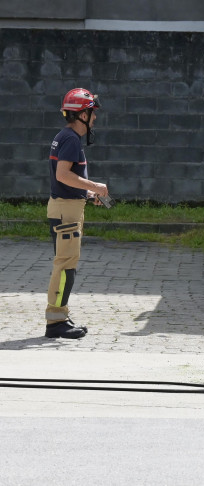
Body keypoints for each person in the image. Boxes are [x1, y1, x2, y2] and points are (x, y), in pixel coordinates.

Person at [46, 88, 110, 339]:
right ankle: (55, 322)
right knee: (65, 267)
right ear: (82, 114)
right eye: (92, 113)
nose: (95, 118)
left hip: (67, 207)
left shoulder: (65, 137)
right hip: (66, 212)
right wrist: (95, 186)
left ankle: (59, 315)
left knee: (66, 265)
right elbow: (62, 175)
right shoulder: (71, 139)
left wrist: (87, 194)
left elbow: (65, 179)